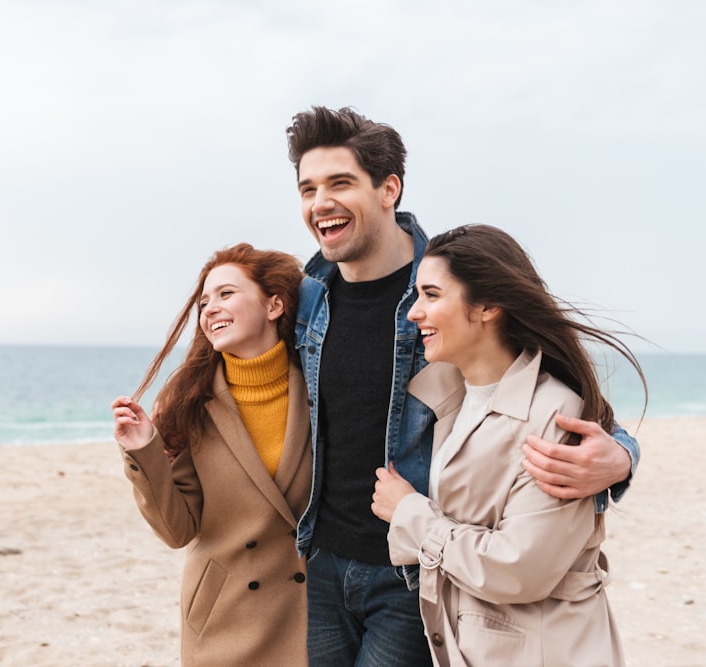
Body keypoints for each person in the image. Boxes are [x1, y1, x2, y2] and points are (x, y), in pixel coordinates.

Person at [285, 106, 641, 665]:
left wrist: (621, 455)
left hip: (413, 572)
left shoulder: (450, 288)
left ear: (388, 189)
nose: (319, 202)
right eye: (307, 188)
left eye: (340, 183)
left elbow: (551, 393)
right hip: (321, 567)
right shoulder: (308, 300)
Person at [370, 224, 646, 666]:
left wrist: (410, 514)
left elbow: (518, 569)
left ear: (487, 306)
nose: (413, 313)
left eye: (432, 295)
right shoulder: (445, 396)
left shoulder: (554, 417)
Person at [111, 243, 312, 666]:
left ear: (274, 304)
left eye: (225, 293)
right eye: (204, 301)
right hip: (225, 617)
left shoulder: (319, 389)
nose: (209, 309)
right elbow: (177, 531)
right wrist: (143, 450)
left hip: (311, 613)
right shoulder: (190, 402)